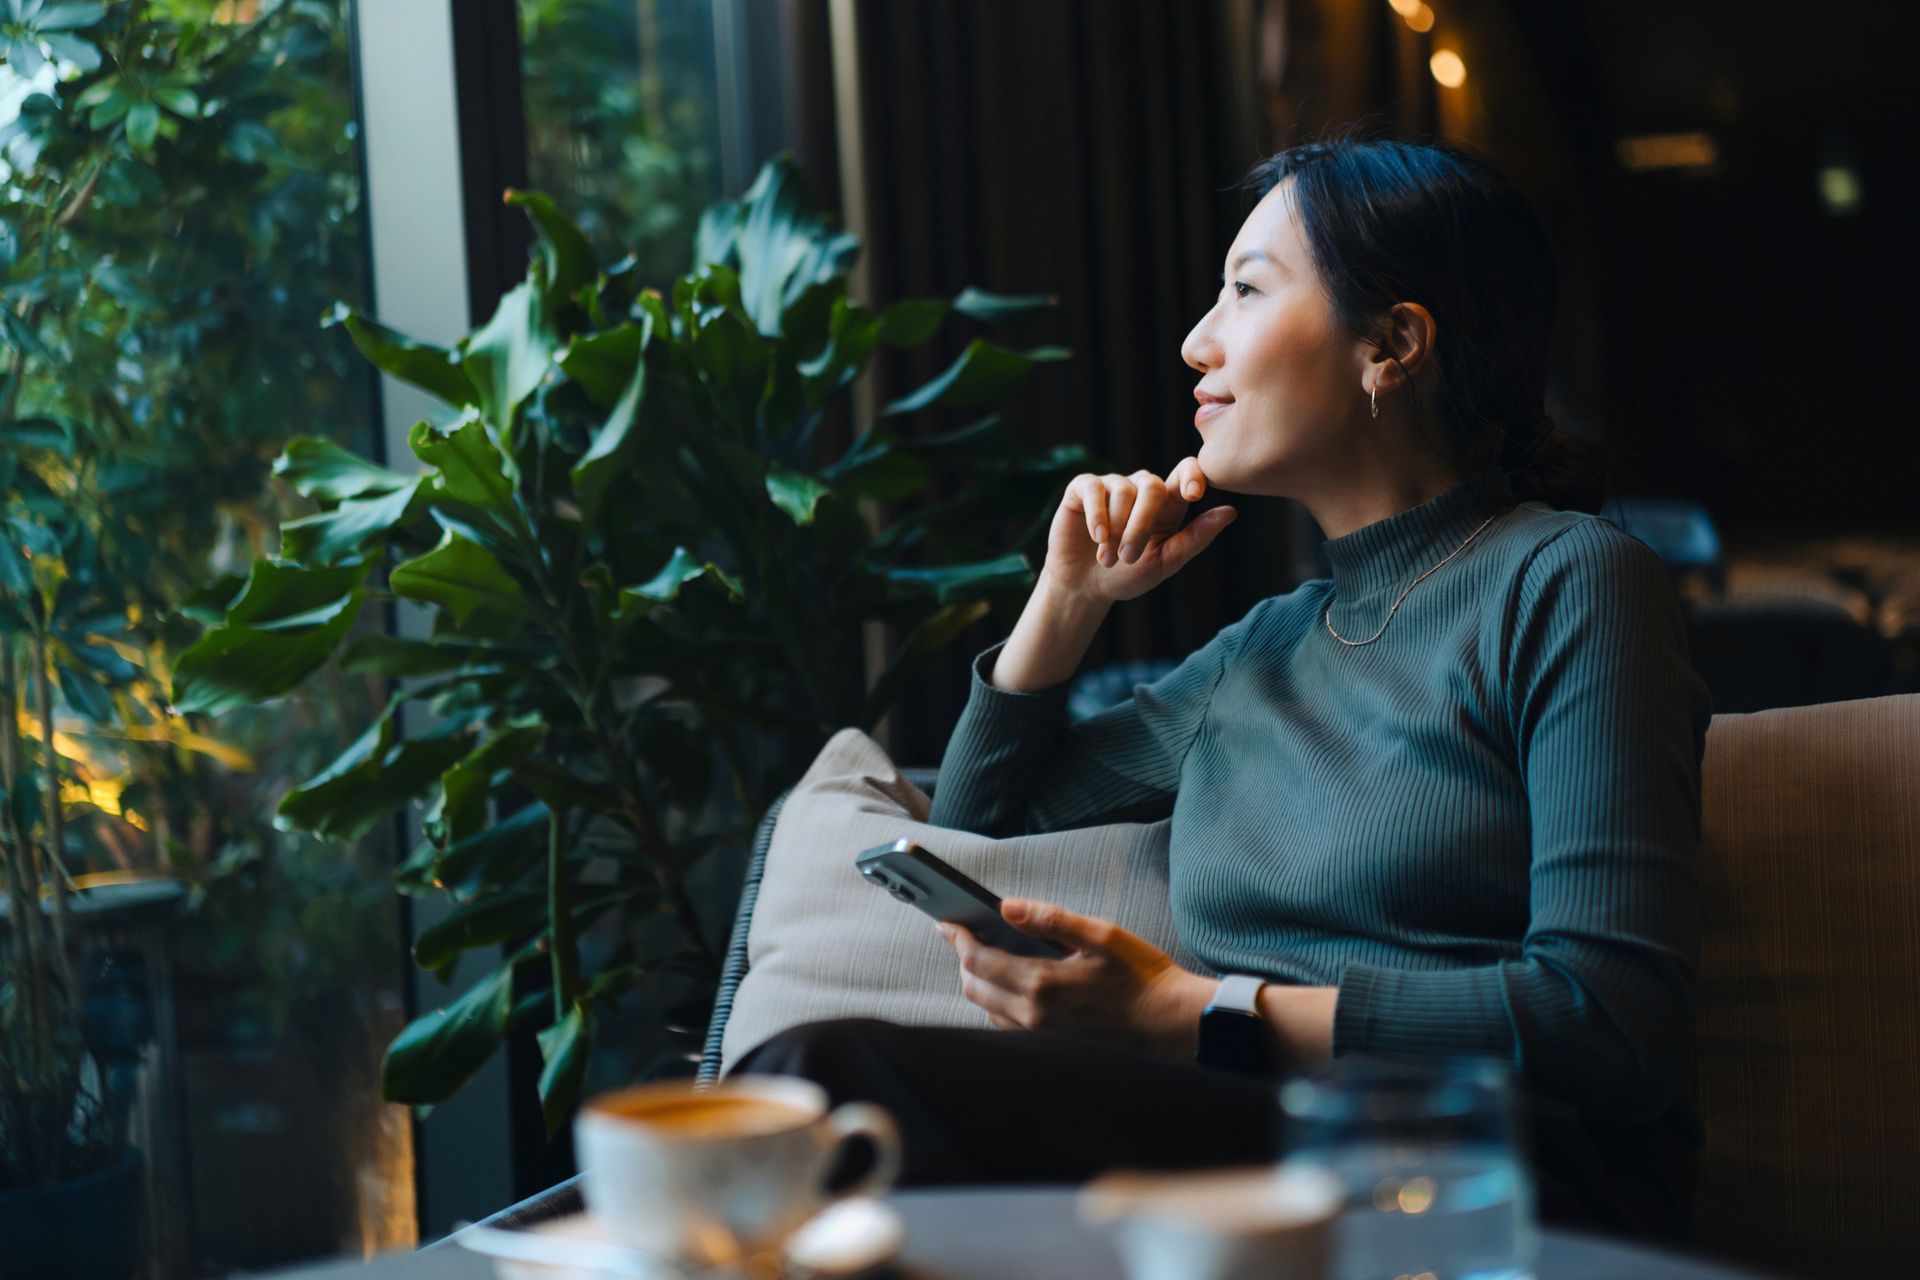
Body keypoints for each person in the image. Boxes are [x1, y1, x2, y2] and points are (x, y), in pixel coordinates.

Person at [733, 131, 1712, 1245]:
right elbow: (975, 827)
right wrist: (1067, 598)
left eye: (1245, 290)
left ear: (1392, 344)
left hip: (1489, 1168)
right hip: (1254, 1147)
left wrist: (1187, 1013)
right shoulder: (1262, 650)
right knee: (806, 1113)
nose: (1198, 341)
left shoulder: (1571, 579)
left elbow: (1618, 1026)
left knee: (828, 1080)